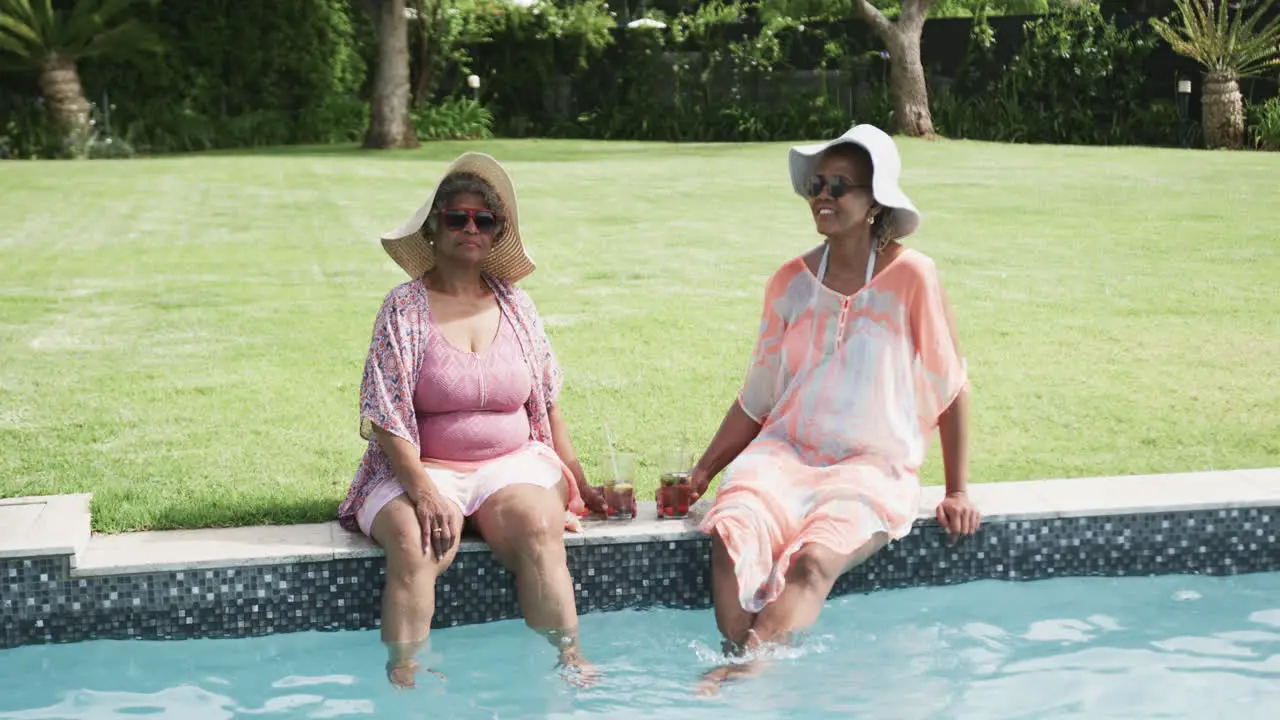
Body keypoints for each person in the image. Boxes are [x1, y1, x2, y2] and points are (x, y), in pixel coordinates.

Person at [689, 125, 982, 692]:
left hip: (873, 466)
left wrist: (958, 490)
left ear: (876, 203)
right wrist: (703, 470)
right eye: (817, 184)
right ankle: (747, 665)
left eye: (840, 187)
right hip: (785, 454)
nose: (823, 195)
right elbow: (758, 398)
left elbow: (952, 387)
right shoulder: (789, 284)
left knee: (811, 563)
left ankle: (740, 675)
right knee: (729, 534)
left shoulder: (913, 277)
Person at [336, 152, 607, 689]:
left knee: (537, 527)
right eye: (456, 217)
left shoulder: (517, 306)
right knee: (415, 541)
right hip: (421, 467)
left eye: (484, 221)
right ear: (434, 227)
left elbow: (548, 400)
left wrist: (578, 477)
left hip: (512, 466)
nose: (470, 228)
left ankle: (568, 662)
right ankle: (405, 678)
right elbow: (386, 415)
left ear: (497, 233)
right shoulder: (403, 309)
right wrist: (425, 493)